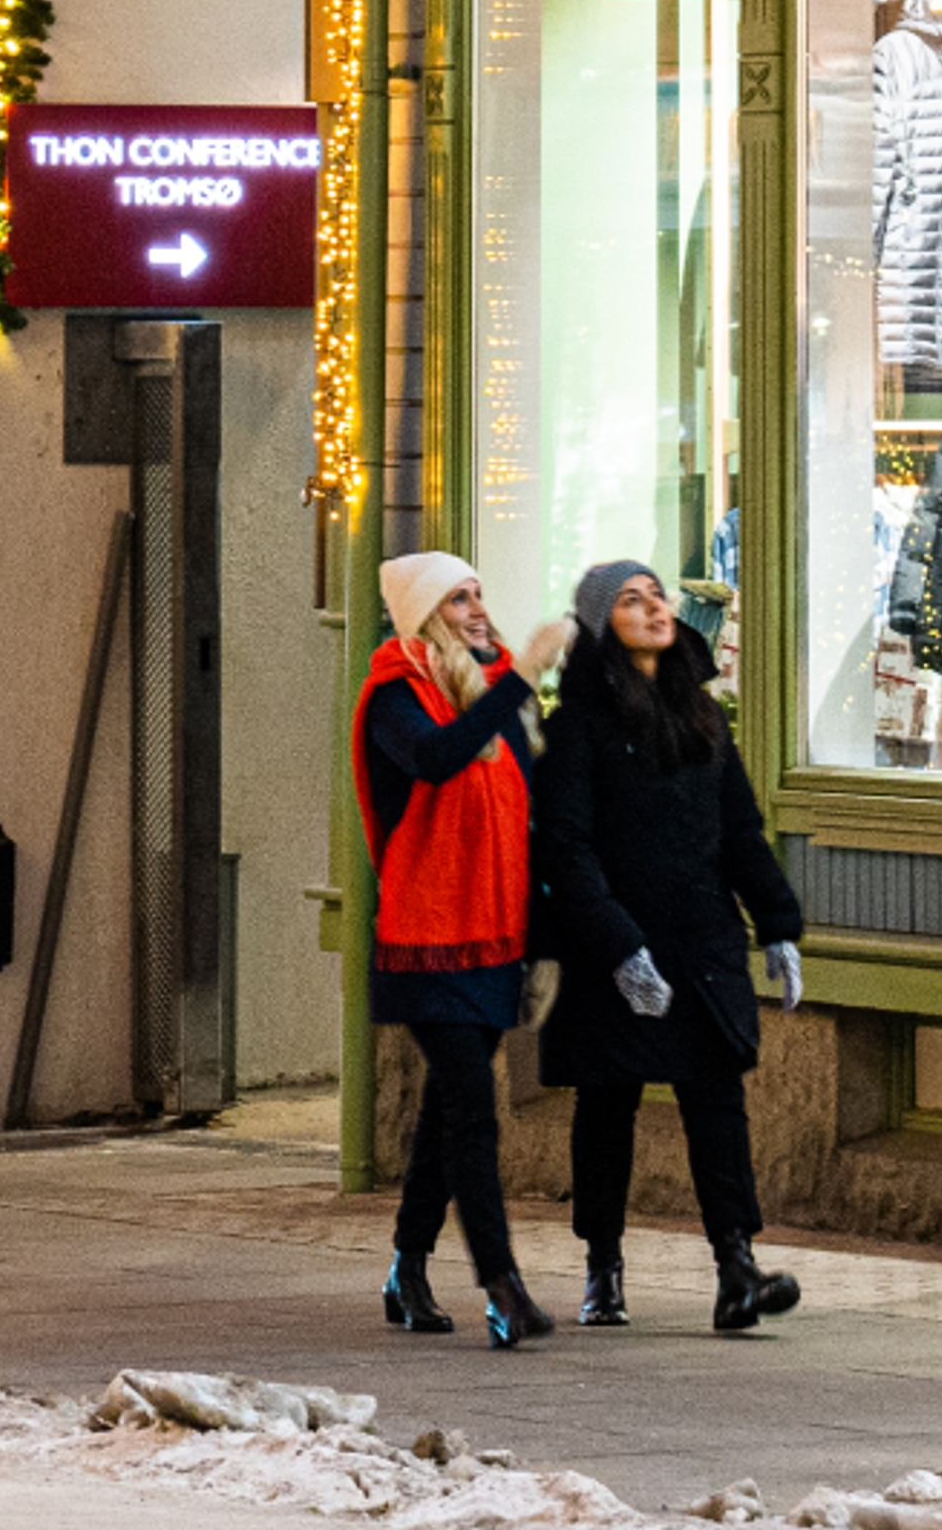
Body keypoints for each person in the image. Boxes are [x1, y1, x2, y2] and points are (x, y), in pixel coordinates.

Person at [533, 560, 811, 1335]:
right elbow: (566, 849)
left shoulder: (701, 718)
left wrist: (779, 928)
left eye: (656, 593)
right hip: (613, 944)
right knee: (609, 1104)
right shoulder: (577, 728)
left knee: (717, 1100)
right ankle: (602, 1269)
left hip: (701, 940)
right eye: (630, 599)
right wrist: (620, 948)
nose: (654, 607)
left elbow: (740, 834)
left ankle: (736, 1268)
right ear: (599, 625)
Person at [352, 548, 557, 1349]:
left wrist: (540, 943)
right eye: (458, 599)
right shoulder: (394, 697)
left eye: (479, 593)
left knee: (448, 1109)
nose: (478, 608)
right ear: (425, 616)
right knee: (473, 1107)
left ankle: (407, 1264)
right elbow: (437, 761)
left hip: (494, 935)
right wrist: (521, 678)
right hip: (426, 938)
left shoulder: (492, 686)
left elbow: (525, 817)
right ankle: (503, 1288)